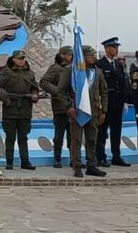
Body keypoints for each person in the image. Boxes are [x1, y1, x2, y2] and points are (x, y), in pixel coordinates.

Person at [42, 45, 109, 178]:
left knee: (91, 140)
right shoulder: (70, 72)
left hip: (93, 112)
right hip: (77, 111)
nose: (94, 58)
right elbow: (60, 92)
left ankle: (91, 165)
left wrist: (103, 111)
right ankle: (76, 165)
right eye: (91, 55)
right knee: (76, 140)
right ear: (83, 56)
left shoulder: (97, 73)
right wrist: (68, 106)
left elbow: (104, 93)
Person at [0, 49, 40, 171]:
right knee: (10, 137)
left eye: (23, 58)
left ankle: (25, 161)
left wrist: (34, 95)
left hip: (25, 109)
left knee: (23, 137)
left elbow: (34, 88)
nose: (22, 61)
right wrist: (6, 98)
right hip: (10, 108)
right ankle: (9, 161)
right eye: (19, 58)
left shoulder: (29, 74)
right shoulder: (6, 73)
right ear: (14, 59)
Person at [95, 37, 130, 167]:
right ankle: (100, 156)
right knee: (102, 132)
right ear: (107, 48)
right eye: (113, 47)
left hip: (118, 104)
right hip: (105, 104)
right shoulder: (100, 64)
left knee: (117, 131)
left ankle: (116, 156)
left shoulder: (119, 65)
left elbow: (123, 84)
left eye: (117, 47)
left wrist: (125, 101)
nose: (116, 50)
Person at [42, 47, 75, 168]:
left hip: (73, 106)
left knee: (74, 135)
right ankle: (57, 158)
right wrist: (58, 91)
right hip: (60, 107)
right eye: (68, 54)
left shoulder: (74, 69)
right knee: (59, 136)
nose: (71, 56)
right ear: (62, 55)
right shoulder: (55, 69)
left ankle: (74, 158)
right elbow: (44, 82)